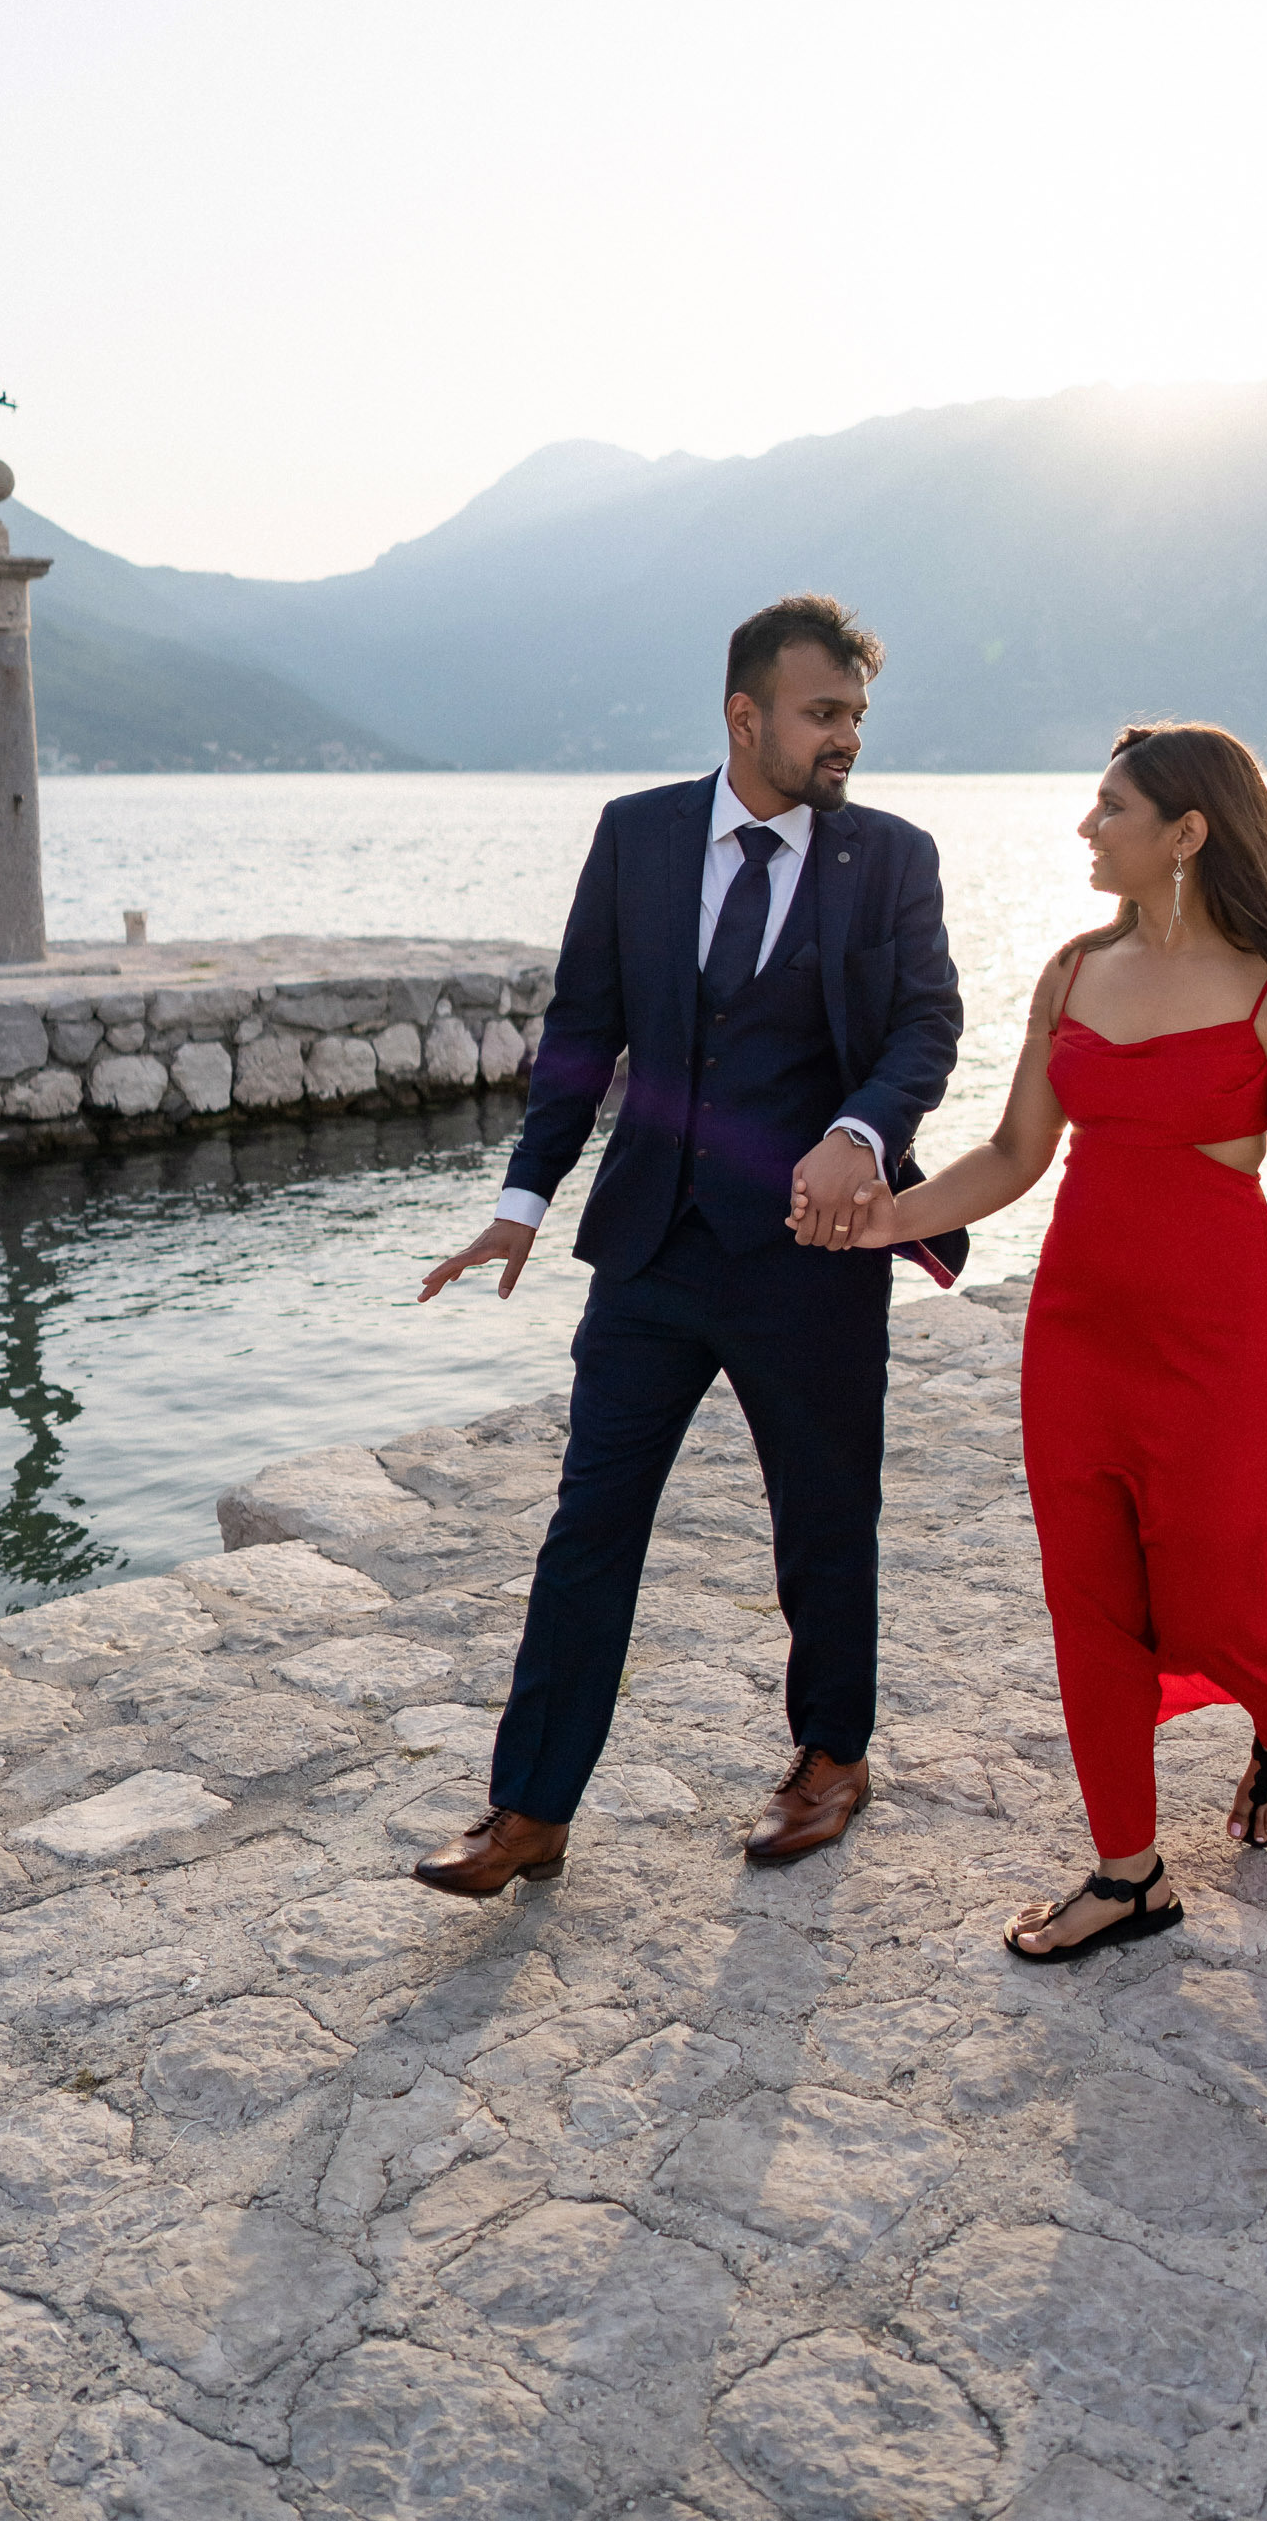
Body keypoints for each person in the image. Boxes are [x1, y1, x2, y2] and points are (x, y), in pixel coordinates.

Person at [815, 719, 1267, 1961]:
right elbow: (1014, 1153)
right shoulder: (1073, 970)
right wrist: (887, 1221)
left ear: (1185, 833)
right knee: (1088, 1600)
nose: (1085, 827)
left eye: (1111, 808)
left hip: (1220, 1341)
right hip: (1077, 1336)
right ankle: (1127, 1873)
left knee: (1214, 1589)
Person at [411, 593, 966, 1896]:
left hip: (812, 1257)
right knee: (588, 1526)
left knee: (823, 1521)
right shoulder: (638, 836)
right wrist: (525, 1201)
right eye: (822, 713)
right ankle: (530, 1809)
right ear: (744, 714)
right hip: (651, 1248)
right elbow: (581, 1035)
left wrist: (858, 1132)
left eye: (856, 715)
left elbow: (925, 1028)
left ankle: (831, 1758)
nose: (846, 737)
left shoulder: (891, 857)